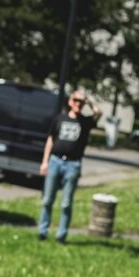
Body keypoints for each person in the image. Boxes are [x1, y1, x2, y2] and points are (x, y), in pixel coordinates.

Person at [38, 90, 102, 243]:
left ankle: (61, 235)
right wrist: (45, 162)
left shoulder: (85, 122)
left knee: (66, 203)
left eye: (81, 102)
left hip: (73, 164)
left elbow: (98, 113)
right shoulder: (59, 118)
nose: (78, 104)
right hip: (55, 161)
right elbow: (50, 140)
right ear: (70, 102)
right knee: (47, 199)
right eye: (76, 101)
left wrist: (89, 100)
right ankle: (43, 231)